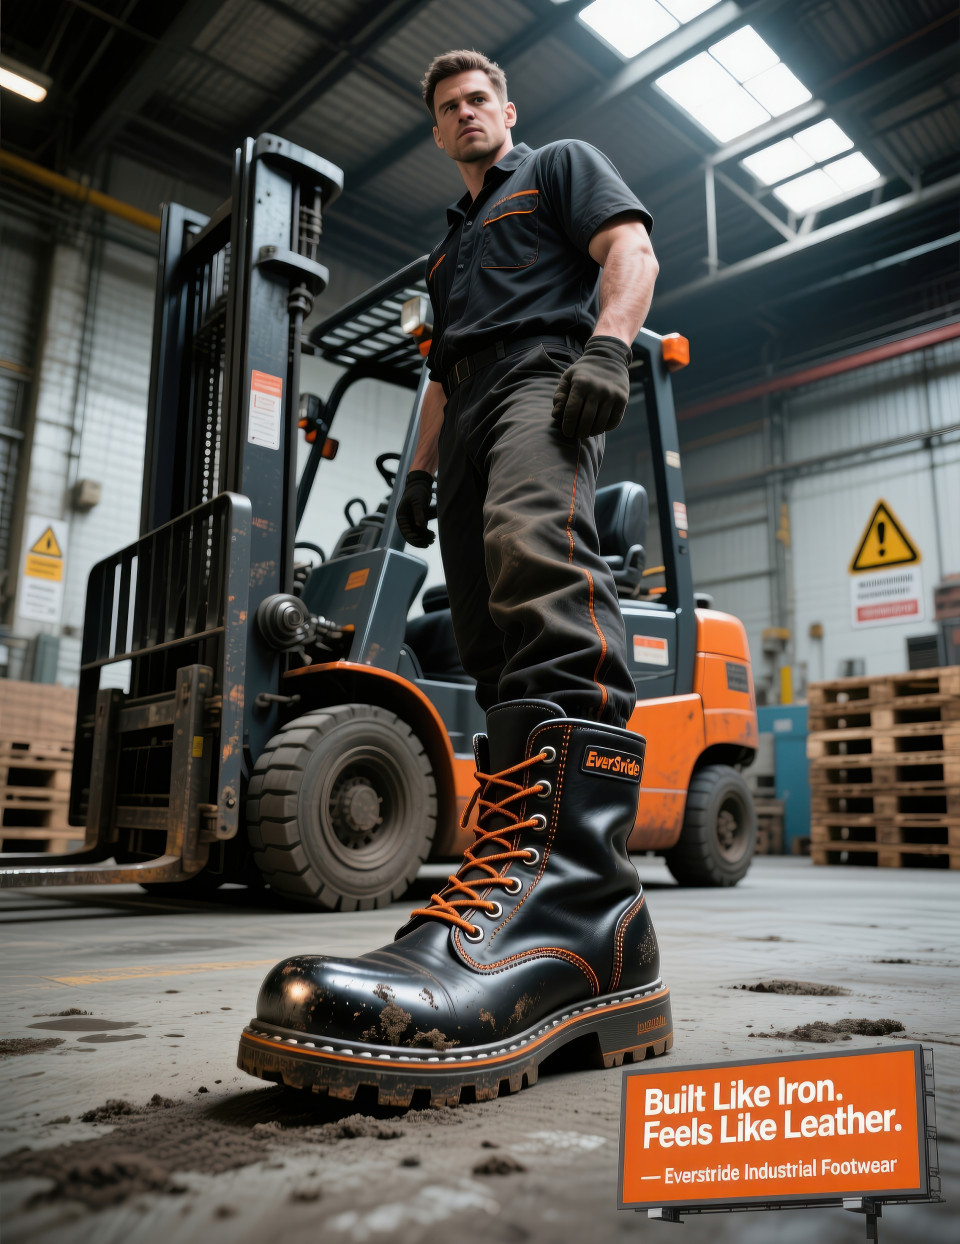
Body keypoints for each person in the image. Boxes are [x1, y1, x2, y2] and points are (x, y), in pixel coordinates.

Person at [239, 50, 672, 1106]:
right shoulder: (448, 252)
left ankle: (577, 893)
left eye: (479, 98)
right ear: (437, 131)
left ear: (506, 111)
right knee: (479, 630)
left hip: (544, 376)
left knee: (537, 552)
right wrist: (420, 477)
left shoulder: (558, 167)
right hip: (470, 400)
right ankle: (579, 930)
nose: (466, 113)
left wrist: (609, 347)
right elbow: (438, 368)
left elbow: (632, 249)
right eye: (448, 107)